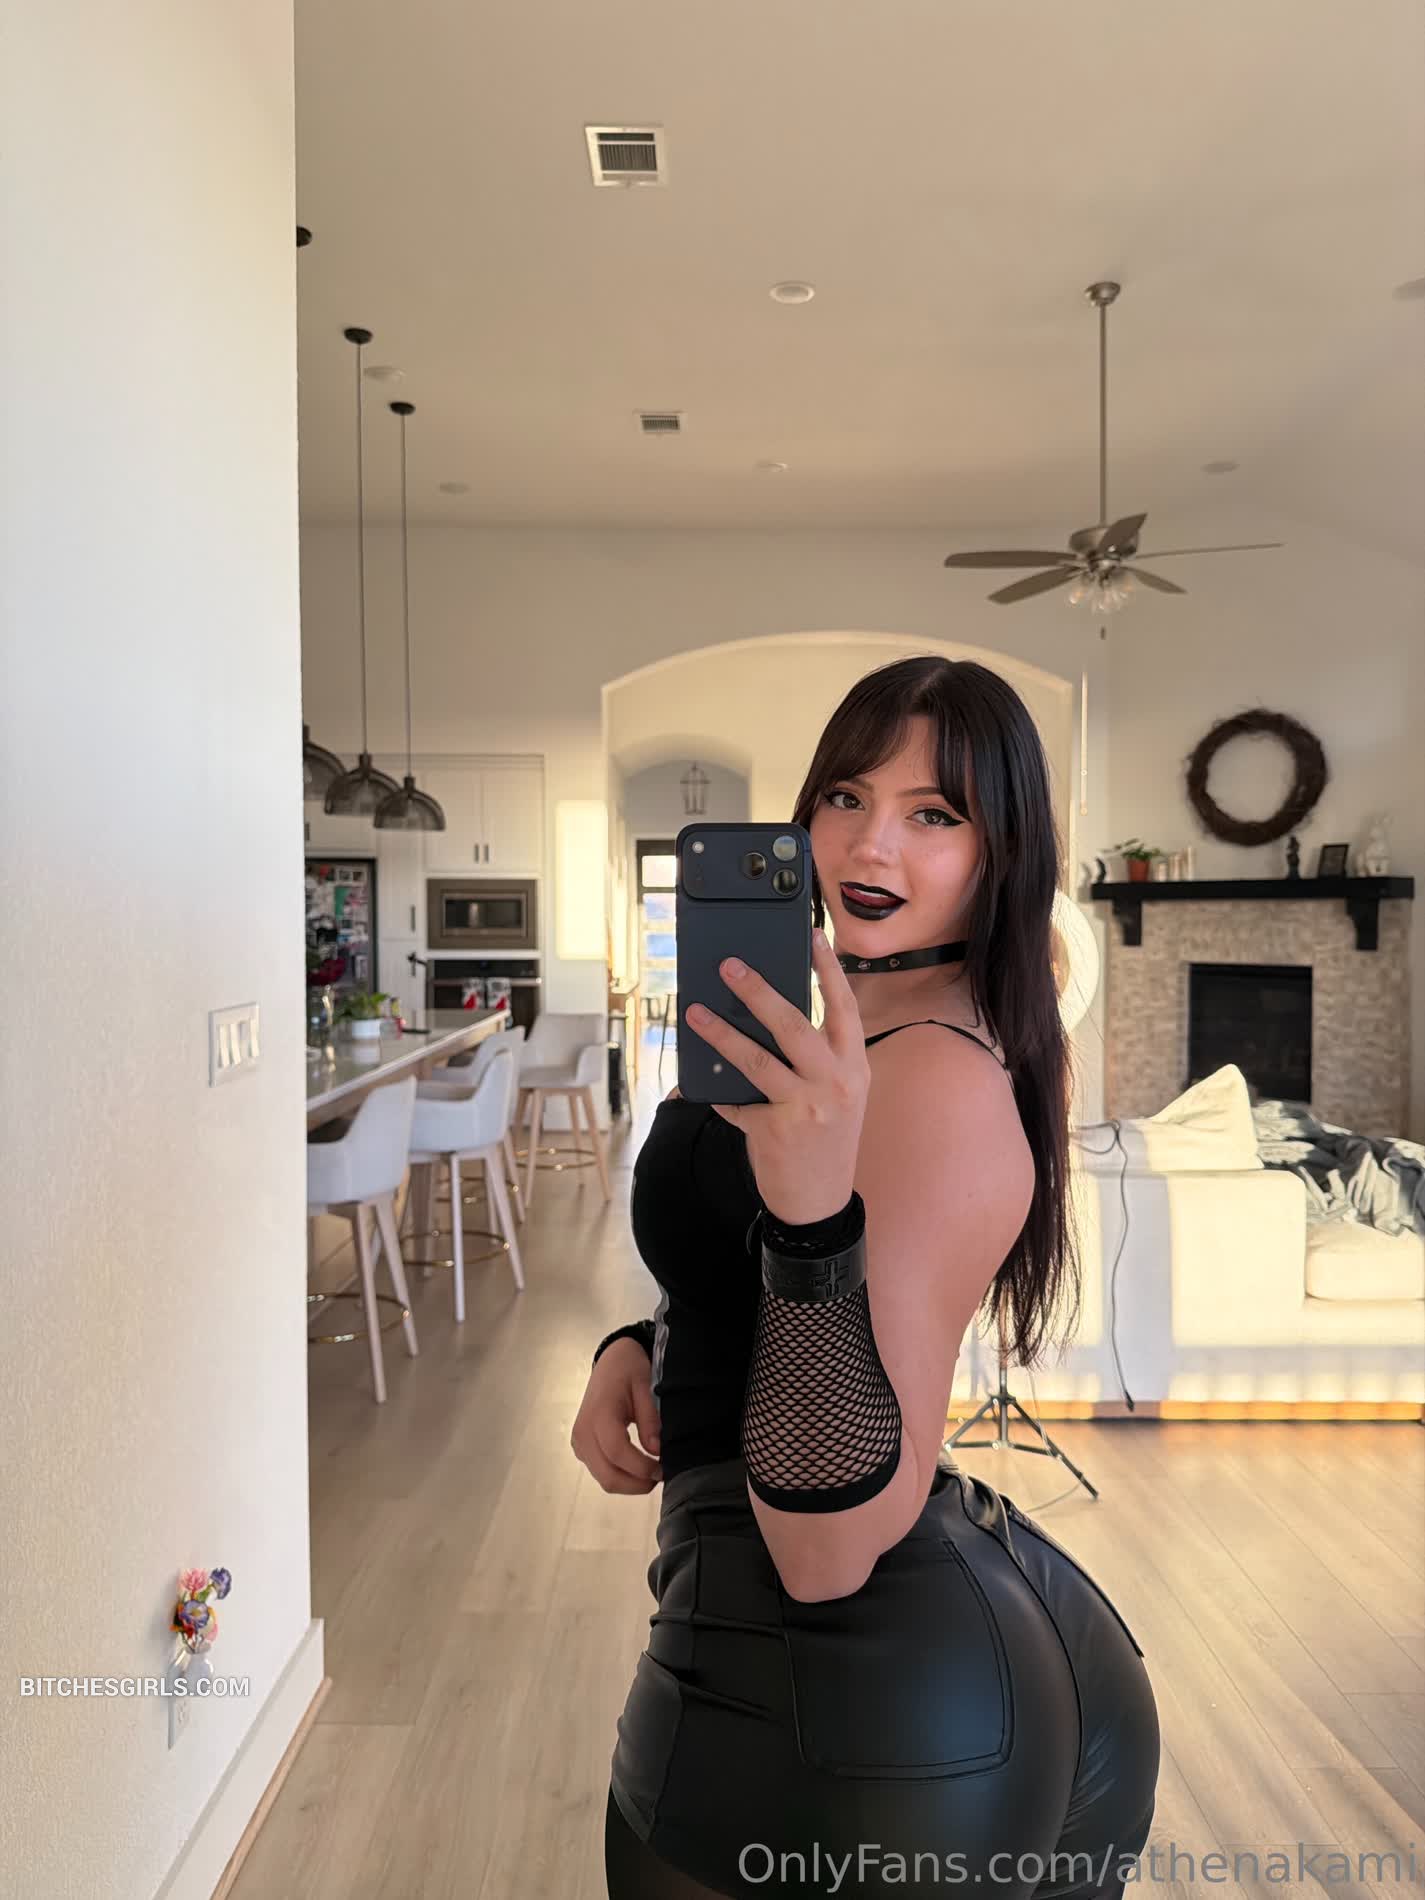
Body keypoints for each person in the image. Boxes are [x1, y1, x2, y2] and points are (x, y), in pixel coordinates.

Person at [572, 656, 1160, 1898]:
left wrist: (809, 1216)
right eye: (845, 795)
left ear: (1003, 852)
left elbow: (829, 1546)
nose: (868, 843)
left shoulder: (935, 1075)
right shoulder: (848, 1017)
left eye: (933, 813)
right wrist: (649, 1341)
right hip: (800, 1668)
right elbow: (746, 1266)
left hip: (845, 1700)